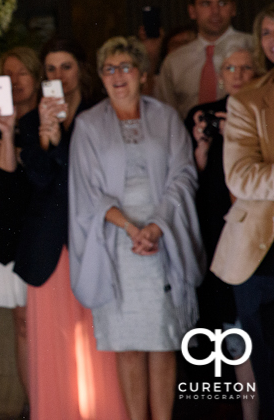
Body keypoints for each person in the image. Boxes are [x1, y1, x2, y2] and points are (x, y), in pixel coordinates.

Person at [70, 36, 203, 420]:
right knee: (128, 344)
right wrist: (131, 227)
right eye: (109, 69)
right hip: (115, 240)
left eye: (125, 67)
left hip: (163, 234)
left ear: (143, 74)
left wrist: (157, 226)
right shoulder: (88, 124)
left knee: (162, 342)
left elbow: (183, 174)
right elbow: (86, 190)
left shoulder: (164, 117)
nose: (117, 76)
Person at [15, 37, 127, 420]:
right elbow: (40, 181)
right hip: (49, 244)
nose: (58, 76)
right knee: (54, 341)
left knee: (99, 337)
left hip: (97, 237)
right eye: (50, 69)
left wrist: (61, 143)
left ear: (82, 70)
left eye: (66, 67)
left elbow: (94, 177)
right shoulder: (30, 122)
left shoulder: (103, 114)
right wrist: (47, 137)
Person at [184, 40, 257, 420]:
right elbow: (187, 182)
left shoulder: (263, 112)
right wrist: (201, 148)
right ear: (221, 74)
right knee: (231, 331)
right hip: (217, 238)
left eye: (247, 69)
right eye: (231, 68)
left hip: (256, 236)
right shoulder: (202, 115)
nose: (239, 76)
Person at [213, 3, 274, 417]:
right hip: (263, 255)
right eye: (267, 32)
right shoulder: (248, 101)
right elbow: (240, 176)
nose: (273, 40)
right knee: (269, 373)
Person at [0, 47, 41, 402]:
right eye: (8, 75)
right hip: (9, 227)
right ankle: (35, 403)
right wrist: (8, 139)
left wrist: (18, 155)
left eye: (23, 74)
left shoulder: (53, 118)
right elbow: (5, 176)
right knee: (23, 323)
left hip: (45, 227)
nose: (16, 82)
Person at [155, 0, 253, 118]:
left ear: (233, 8)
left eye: (222, 3)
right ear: (192, 11)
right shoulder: (175, 61)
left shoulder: (254, 48)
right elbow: (165, 116)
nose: (215, 11)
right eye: (206, 4)